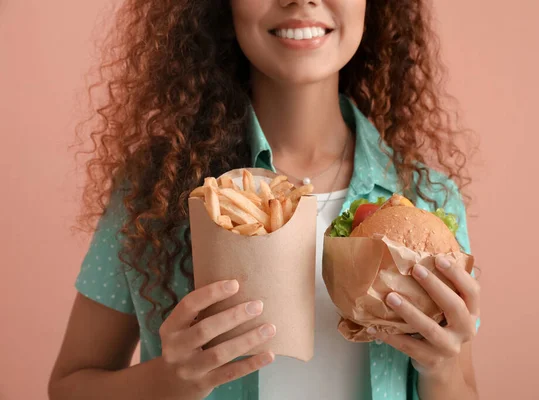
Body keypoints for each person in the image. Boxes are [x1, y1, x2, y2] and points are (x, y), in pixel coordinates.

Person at [48, 0, 481, 399]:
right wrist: (167, 382)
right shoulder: (153, 191)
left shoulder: (428, 199)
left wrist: (441, 367)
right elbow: (69, 386)